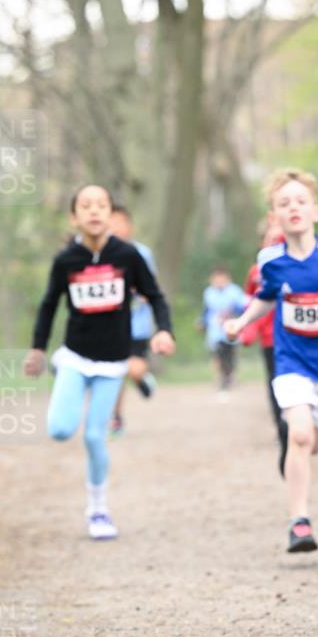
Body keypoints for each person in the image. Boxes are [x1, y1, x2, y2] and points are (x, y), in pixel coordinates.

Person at [225, 168, 318, 553]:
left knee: (315, 442)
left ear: (315, 210)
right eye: (283, 203)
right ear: (274, 217)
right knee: (299, 433)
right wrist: (243, 321)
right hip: (291, 359)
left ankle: (301, 454)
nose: (293, 208)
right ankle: (299, 522)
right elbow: (267, 295)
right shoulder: (270, 259)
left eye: (300, 201)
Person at [24, 185, 175, 540]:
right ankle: (68, 394)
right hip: (75, 356)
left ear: (110, 215)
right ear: (75, 217)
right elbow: (49, 305)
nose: (94, 211)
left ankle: (98, 511)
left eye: (101, 205)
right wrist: (37, 349)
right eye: (86, 206)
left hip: (112, 362)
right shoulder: (66, 260)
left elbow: (155, 296)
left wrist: (164, 330)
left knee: (95, 437)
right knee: (61, 429)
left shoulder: (129, 256)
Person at [108, 204, 159, 436]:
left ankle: (140, 379)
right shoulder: (100, 255)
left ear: (130, 226)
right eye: (111, 223)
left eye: (120, 222)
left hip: (137, 325)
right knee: (115, 375)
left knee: (132, 369)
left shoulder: (142, 253)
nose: (116, 228)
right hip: (110, 327)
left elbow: (151, 289)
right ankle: (116, 417)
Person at [240, 220, 285, 436]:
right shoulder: (255, 272)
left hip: (296, 335)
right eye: (271, 240)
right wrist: (248, 330)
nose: (275, 243)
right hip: (269, 337)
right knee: (275, 380)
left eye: (279, 239)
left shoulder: (297, 264)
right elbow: (250, 300)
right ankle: (281, 425)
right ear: (262, 243)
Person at [200, 266, 247, 399]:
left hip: (231, 329)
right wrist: (202, 321)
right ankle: (222, 379)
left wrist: (235, 315)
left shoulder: (235, 291)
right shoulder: (208, 292)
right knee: (218, 354)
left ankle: (230, 375)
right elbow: (206, 310)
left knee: (230, 355)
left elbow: (242, 308)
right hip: (215, 330)